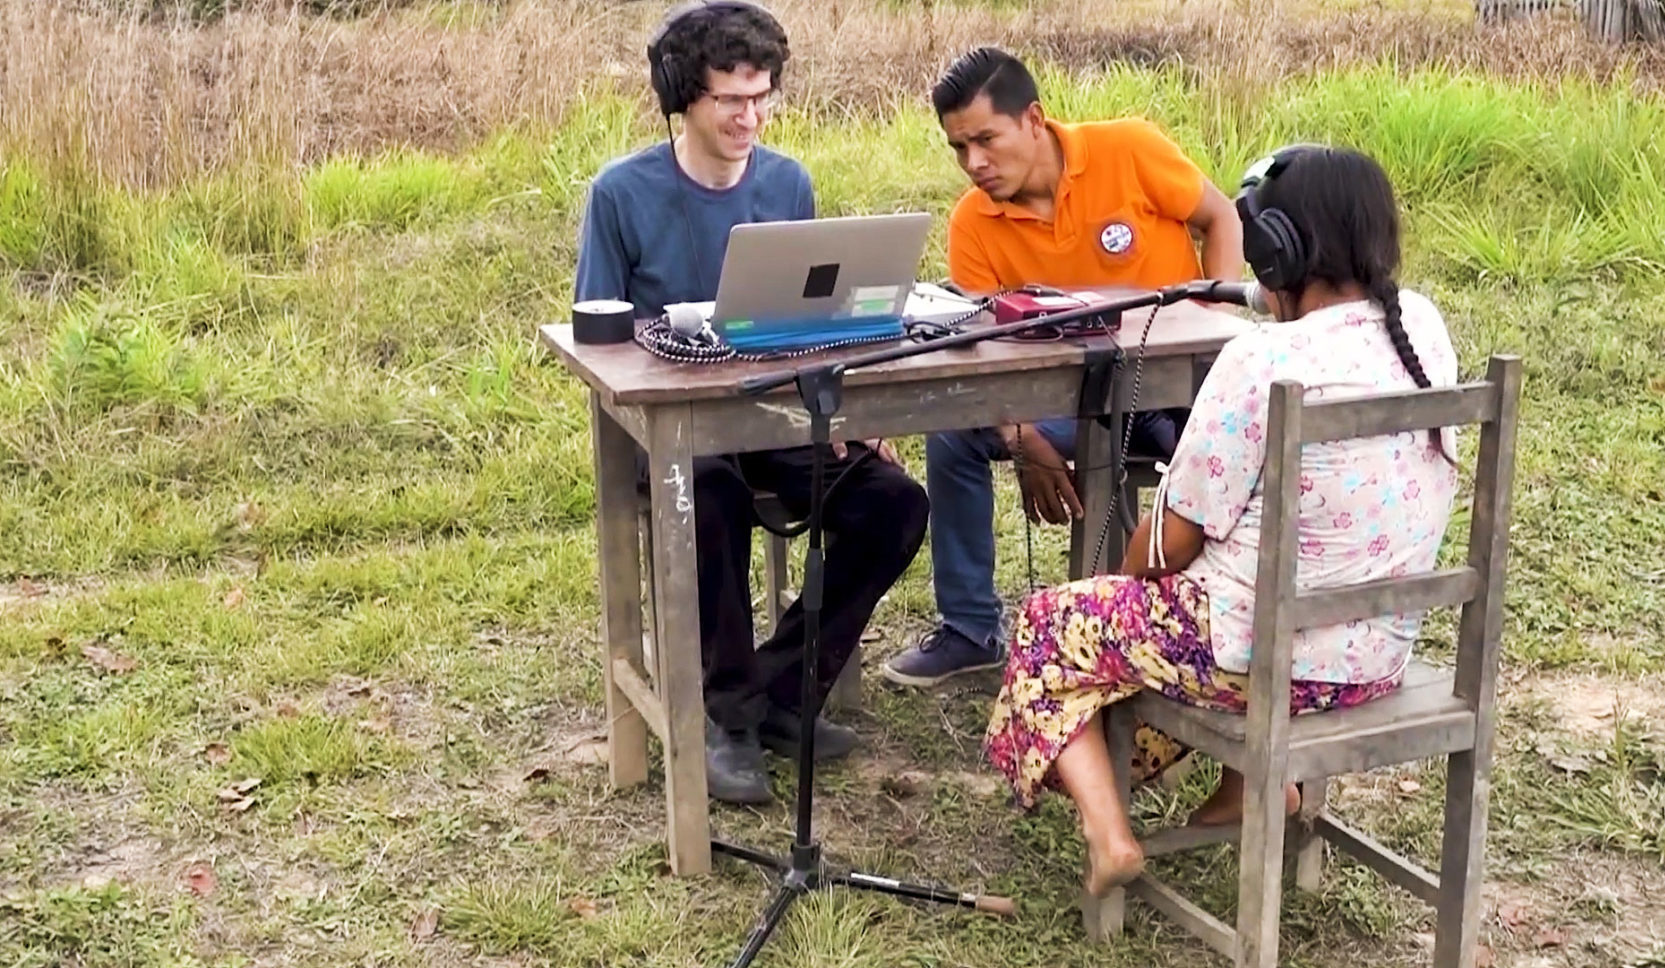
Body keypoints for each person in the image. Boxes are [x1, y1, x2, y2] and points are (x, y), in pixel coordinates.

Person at [982, 144, 1462, 896]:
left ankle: (1111, 838)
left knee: (1051, 623)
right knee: (1178, 609)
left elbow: (1172, 543)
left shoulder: (1261, 359)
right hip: (1373, 658)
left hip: (1266, 665)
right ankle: (1252, 791)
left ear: (1276, 251)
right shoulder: (1424, 328)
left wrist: (1122, 584)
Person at [574, 0, 929, 805]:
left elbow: (808, 325)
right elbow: (597, 338)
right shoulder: (620, 194)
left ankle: (778, 691)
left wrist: (853, 420)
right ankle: (724, 718)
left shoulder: (786, 181)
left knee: (894, 504)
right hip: (667, 431)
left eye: (762, 95)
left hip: (775, 415)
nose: (751, 115)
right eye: (730, 100)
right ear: (682, 99)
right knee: (714, 494)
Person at [883, 47, 1245, 688]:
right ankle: (970, 630)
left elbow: (1221, 217)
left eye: (986, 140)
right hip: (1064, 404)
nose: (975, 164)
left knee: (1237, 470)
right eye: (958, 148)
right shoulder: (973, 223)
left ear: (1034, 119)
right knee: (952, 435)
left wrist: (1214, 323)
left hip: (1181, 390)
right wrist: (1019, 435)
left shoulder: (1128, 150)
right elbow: (981, 349)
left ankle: (1219, 627)